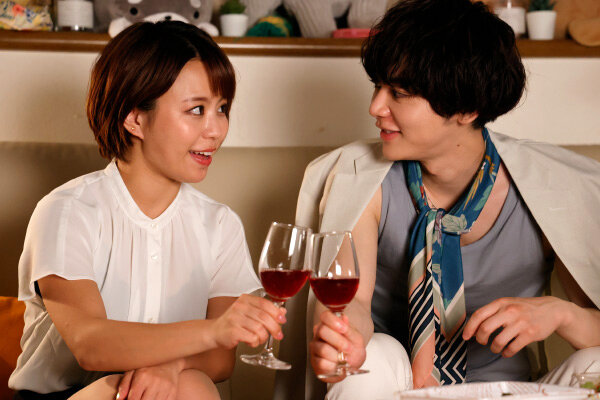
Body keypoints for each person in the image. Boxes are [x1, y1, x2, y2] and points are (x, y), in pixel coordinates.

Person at [295, 0, 600, 398]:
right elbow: (350, 301)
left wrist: (562, 314)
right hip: (396, 387)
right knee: (371, 357)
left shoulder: (549, 187)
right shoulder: (363, 180)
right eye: (377, 87)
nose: (375, 107)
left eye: (398, 93)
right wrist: (344, 337)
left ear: (467, 109)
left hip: (513, 392)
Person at [8, 21, 286, 400]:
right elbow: (91, 344)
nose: (216, 130)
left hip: (174, 389)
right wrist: (211, 332)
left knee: (188, 382)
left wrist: (169, 366)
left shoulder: (220, 224)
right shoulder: (68, 211)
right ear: (134, 118)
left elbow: (221, 360)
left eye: (222, 109)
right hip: (67, 395)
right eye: (197, 110)